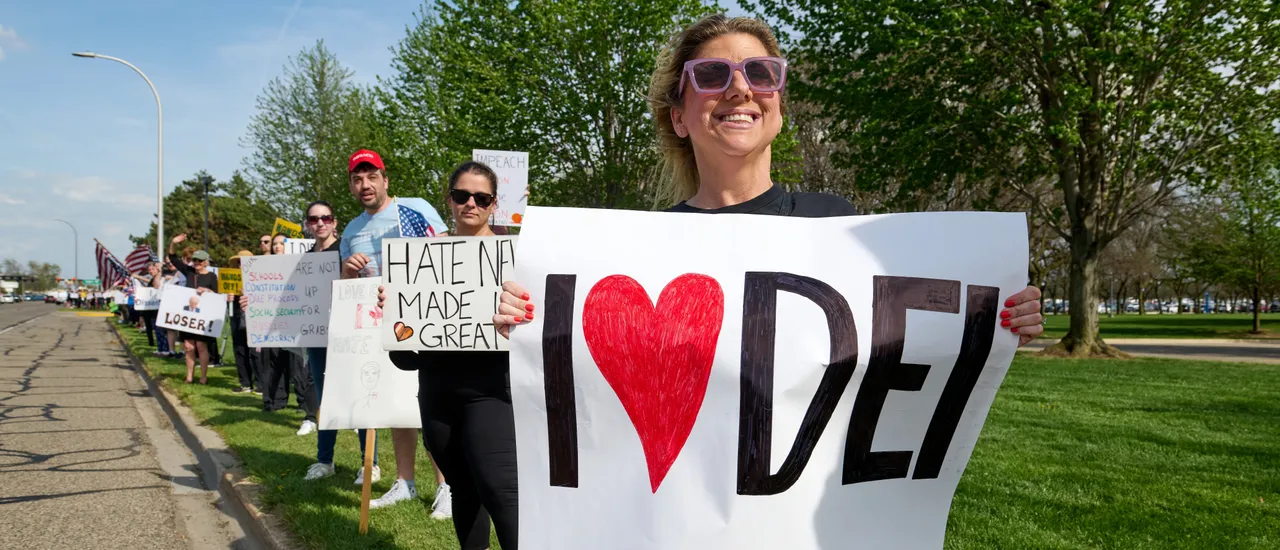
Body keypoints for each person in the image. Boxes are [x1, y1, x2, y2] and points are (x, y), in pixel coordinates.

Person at [491, 14, 1046, 346]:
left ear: (778, 104)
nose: (739, 88)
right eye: (711, 75)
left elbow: (896, 339)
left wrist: (994, 315)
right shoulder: (643, 249)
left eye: (760, 73)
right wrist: (533, 319)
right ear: (679, 117)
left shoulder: (836, 221)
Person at [383, 161, 519, 549]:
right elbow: (406, 358)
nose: (470, 204)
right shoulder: (420, 258)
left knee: (500, 490)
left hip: (491, 392)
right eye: (462, 195)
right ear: (449, 200)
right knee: (462, 488)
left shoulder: (514, 260)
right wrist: (395, 313)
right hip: (437, 393)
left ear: (494, 204)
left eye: (481, 198)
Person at [339, 148, 452, 512]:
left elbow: (448, 254)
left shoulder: (415, 210)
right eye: (357, 179)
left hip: (423, 322)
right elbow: (346, 289)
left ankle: (447, 486)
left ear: (385, 180)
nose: (365, 185)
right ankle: (405, 483)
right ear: (351, 186)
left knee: (431, 404)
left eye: (372, 177)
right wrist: (348, 272)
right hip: (377, 327)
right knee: (395, 403)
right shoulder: (351, 230)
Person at [296, 200, 380, 483]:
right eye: (313, 219)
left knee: (362, 393)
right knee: (325, 398)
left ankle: (370, 463)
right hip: (318, 336)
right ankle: (324, 461)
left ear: (335, 222)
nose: (320, 223)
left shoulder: (346, 251)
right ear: (307, 225)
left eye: (325, 218)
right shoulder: (305, 260)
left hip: (350, 335)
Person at [258, 237, 319, 433]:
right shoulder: (264, 267)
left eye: (281, 243)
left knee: (300, 366)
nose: (277, 247)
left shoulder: (299, 265)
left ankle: (304, 403)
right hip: (273, 322)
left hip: (296, 322)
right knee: (273, 363)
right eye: (274, 244)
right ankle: (273, 401)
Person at [168, 235, 220, 384]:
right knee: (189, 346)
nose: (196, 263)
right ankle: (189, 376)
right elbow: (173, 258)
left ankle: (203, 377)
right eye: (195, 260)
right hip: (189, 315)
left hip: (203, 316)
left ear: (206, 262)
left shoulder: (212, 276)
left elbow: (217, 295)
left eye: (200, 261)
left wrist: (207, 291)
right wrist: (173, 243)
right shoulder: (189, 271)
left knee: (201, 346)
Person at [227, 250, 257, 394]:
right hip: (237, 316)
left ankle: (260, 384)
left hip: (254, 317)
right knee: (239, 349)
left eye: (244, 262)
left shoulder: (257, 278)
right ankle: (245, 383)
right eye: (239, 263)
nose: (241, 265)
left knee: (255, 351)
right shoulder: (231, 280)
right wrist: (228, 298)